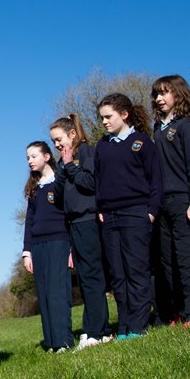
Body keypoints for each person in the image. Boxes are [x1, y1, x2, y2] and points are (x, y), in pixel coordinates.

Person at [94, 93, 163, 340]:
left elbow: (155, 181)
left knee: (136, 271)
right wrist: (101, 208)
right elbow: (99, 180)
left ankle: (138, 325)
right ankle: (123, 327)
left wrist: (151, 213)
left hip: (136, 213)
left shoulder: (142, 143)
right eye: (101, 118)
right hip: (109, 218)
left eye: (108, 116)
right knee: (118, 274)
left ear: (124, 114)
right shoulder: (102, 146)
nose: (104, 122)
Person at [150, 76, 190, 326]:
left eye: (165, 93)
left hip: (185, 201)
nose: (159, 99)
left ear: (178, 94)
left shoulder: (187, 125)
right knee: (167, 262)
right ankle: (176, 312)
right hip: (162, 205)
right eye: (156, 94)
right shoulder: (157, 130)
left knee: (189, 259)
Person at [49, 114, 112, 350]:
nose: (56, 145)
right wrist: (64, 168)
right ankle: (101, 329)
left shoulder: (86, 152)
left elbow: (91, 183)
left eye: (58, 139)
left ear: (72, 134)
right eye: (53, 141)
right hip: (73, 223)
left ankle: (94, 330)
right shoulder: (63, 162)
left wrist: (70, 168)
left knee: (93, 276)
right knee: (85, 278)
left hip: (88, 220)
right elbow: (58, 196)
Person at [22, 141, 73, 353]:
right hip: (38, 245)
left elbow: (69, 213)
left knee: (58, 292)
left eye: (34, 156)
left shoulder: (60, 181)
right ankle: (51, 342)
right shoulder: (34, 188)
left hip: (59, 241)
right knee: (43, 293)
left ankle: (64, 340)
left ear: (47, 156)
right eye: (27, 158)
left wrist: (71, 248)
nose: (30, 161)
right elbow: (29, 220)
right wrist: (27, 252)